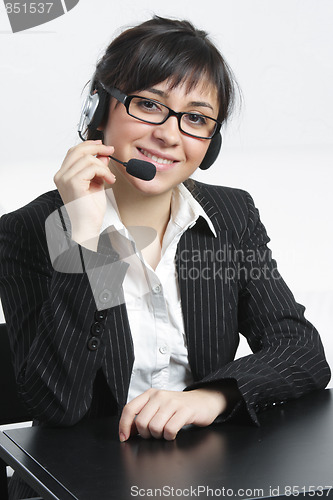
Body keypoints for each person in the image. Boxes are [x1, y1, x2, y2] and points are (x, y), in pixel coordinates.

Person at [0, 15, 330, 499]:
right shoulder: (27, 231)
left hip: (202, 477)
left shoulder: (231, 216)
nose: (169, 134)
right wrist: (90, 238)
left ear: (210, 142)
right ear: (100, 109)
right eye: (149, 105)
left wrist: (211, 396)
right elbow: (57, 405)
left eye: (195, 117)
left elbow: (301, 351)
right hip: (79, 484)